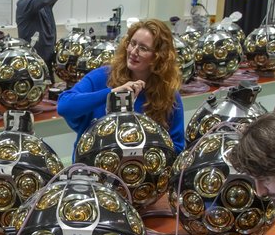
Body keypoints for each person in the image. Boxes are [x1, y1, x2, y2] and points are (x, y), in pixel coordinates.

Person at [56, 18, 185, 156]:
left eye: (143, 48)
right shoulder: (103, 76)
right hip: (92, 171)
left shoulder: (168, 95)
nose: (134, 51)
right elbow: (64, 106)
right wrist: (110, 93)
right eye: (132, 43)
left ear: (158, 56)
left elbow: (177, 147)